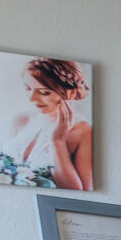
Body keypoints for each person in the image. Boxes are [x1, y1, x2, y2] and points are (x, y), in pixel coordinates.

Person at [11, 58, 92, 190]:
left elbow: (82, 193)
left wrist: (57, 140)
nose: (32, 99)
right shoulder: (21, 120)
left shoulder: (83, 131)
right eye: (28, 88)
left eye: (44, 92)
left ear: (70, 93)